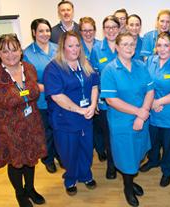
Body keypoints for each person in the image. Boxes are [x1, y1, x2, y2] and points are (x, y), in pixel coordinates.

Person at [0, 34, 46, 207]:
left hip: (31, 123)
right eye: (5, 51)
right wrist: (0, 115)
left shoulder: (29, 69)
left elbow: (33, 91)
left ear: (21, 51)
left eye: (14, 50)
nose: (10, 54)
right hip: (7, 129)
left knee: (31, 158)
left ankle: (30, 189)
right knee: (16, 162)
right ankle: (20, 194)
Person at [100, 32, 154, 207]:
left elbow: (150, 91)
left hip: (142, 118)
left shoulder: (140, 66)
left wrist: (144, 111)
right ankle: (128, 187)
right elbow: (111, 100)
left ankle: (131, 180)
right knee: (126, 156)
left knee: (138, 153)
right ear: (116, 47)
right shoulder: (109, 70)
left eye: (132, 44)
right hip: (122, 122)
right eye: (125, 44)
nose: (129, 48)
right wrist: (139, 112)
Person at [43, 31, 99, 196]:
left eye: (77, 45)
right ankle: (70, 179)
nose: (74, 49)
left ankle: (85, 175)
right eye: (70, 46)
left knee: (87, 150)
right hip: (65, 120)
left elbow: (94, 85)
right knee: (69, 153)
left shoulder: (85, 64)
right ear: (62, 47)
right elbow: (57, 96)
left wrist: (93, 105)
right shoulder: (53, 68)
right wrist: (80, 109)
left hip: (86, 118)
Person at [140, 32, 170, 187]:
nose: (162, 49)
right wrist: (152, 103)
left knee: (169, 145)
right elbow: (145, 84)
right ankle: (153, 160)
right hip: (153, 111)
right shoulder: (150, 61)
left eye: (166, 45)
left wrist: (158, 101)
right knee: (153, 141)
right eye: (159, 45)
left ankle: (167, 170)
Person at [23, 18, 59, 174]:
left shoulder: (58, 48)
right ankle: (48, 159)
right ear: (34, 33)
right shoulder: (27, 53)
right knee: (47, 132)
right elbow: (27, 81)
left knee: (59, 129)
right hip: (42, 100)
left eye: (47, 30)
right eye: (41, 31)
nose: (45, 34)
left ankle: (60, 155)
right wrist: (49, 87)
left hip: (60, 99)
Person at [90, 15, 120, 180]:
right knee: (108, 135)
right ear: (103, 30)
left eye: (114, 27)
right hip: (104, 103)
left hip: (123, 101)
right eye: (107, 27)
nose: (111, 30)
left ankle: (124, 165)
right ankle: (111, 165)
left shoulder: (125, 45)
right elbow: (93, 77)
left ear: (119, 28)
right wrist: (93, 101)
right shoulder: (96, 49)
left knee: (120, 134)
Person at [79, 16, 107, 162]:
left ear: (95, 31)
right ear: (80, 32)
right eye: (84, 30)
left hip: (99, 89)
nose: (88, 33)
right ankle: (98, 148)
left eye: (90, 30)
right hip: (83, 90)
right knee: (91, 123)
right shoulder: (76, 47)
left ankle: (102, 149)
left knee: (101, 122)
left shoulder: (102, 46)